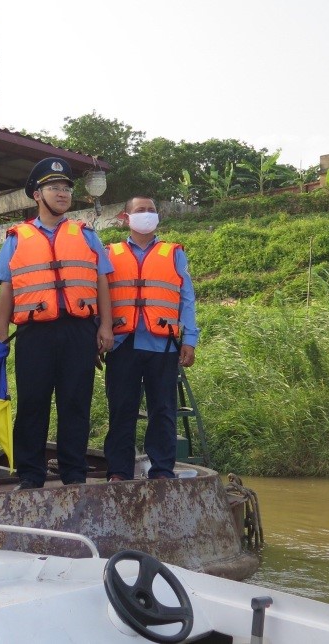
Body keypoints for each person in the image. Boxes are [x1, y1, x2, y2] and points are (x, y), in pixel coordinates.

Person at [0, 157, 114, 489]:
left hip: (79, 330)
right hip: (35, 333)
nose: (62, 194)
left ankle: (74, 474)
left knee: (75, 402)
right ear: (37, 195)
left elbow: (102, 280)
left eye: (66, 189)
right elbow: (7, 288)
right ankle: (30, 474)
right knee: (32, 402)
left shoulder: (86, 234)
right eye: (54, 188)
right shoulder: (17, 237)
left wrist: (105, 326)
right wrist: (0, 337)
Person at [102, 196, 199, 481]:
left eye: (151, 210)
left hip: (163, 344)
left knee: (163, 409)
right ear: (126, 217)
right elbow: (100, 297)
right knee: (121, 409)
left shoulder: (174, 253)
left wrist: (190, 339)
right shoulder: (110, 253)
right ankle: (118, 472)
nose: (147, 214)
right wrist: (99, 334)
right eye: (140, 210)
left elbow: (187, 298)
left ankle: (162, 470)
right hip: (122, 344)